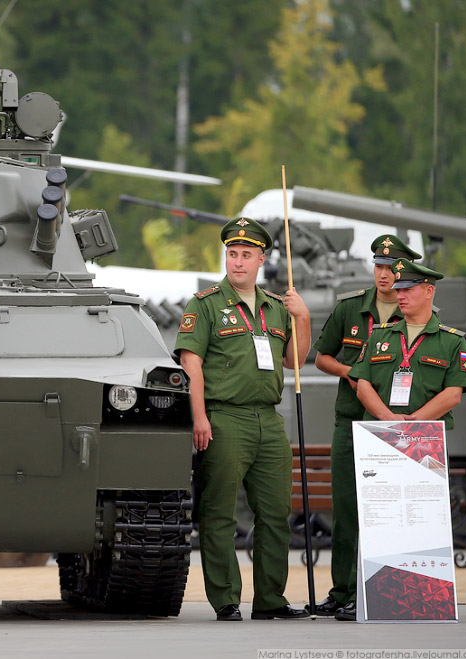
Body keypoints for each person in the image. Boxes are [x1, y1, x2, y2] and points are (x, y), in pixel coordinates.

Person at [174, 217, 311, 622]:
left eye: (246, 255)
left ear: (261, 260)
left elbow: (293, 361)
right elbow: (191, 364)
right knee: (219, 514)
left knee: (275, 514)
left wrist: (302, 319)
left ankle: (270, 599)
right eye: (232, 254)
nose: (237, 262)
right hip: (224, 417)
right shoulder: (206, 304)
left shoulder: (274, 306)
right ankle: (226, 599)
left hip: (268, 421)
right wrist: (199, 417)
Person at [346, 258, 466, 620]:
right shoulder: (379, 337)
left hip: (425, 443)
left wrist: (415, 422)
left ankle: (424, 599)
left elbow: (453, 393)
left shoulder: (452, 342)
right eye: (398, 290)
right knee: (383, 520)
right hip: (383, 441)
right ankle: (382, 599)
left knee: (421, 522)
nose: (399, 295)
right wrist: (389, 420)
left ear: (428, 291)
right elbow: (362, 385)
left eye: (407, 289)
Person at [312, 235, 421, 619]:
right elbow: (322, 356)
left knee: (394, 511)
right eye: (378, 266)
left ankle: (384, 590)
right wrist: (354, 375)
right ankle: (342, 591)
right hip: (352, 419)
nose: (384, 274)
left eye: (392, 268)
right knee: (346, 510)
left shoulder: (418, 311)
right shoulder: (350, 308)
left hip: (397, 423)